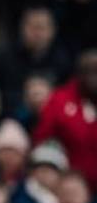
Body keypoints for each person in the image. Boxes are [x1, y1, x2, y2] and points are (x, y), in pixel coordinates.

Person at [33, 49, 97, 191]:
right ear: (80, 73)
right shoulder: (59, 100)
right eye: (91, 71)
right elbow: (42, 139)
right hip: (65, 189)